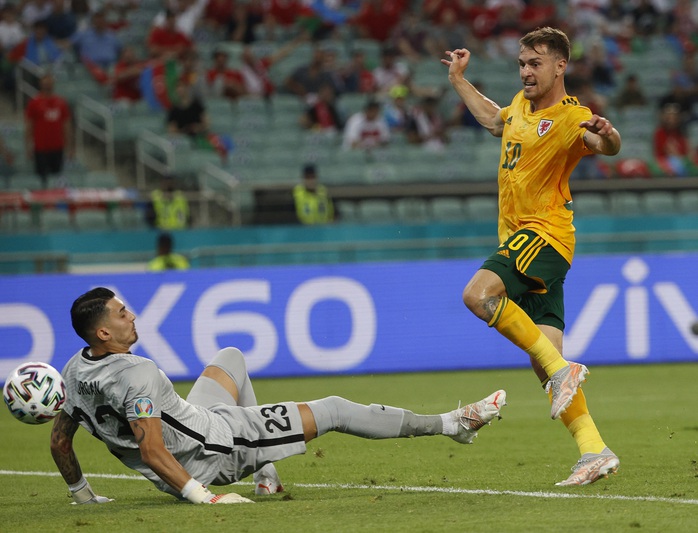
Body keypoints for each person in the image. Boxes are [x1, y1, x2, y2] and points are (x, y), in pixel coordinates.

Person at [50, 287, 506, 504]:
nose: (132, 315)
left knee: (229, 357)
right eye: (122, 312)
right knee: (335, 409)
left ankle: (266, 473)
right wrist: (201, 496)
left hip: (190, 426)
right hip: (216, 450)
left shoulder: (73, 370)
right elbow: (150, 449)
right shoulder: (140, 374)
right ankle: (453, 424)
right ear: (105, 330)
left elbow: (59, 441)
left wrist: (82, 494)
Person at [441, 26, 621, 486]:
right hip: (521, 241)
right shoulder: (520, 107)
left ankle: (566, 372)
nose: (525, 71)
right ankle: (593, 450)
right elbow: (493, 120)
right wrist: (460, 80)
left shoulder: (570, 116)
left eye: (535, 63)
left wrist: (609, 134)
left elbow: (604, 146)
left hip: (543, 235)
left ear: (560, 65)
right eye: (522, 63)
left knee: (477, 295)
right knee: (542, 360)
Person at [24, 72, 73, 188]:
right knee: (42, 180)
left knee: (57, 179)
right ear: (41, 84)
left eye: (49, 82)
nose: (47, 84)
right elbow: (29, 125)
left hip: (58, 147)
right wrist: (28, 146)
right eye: (45, 82)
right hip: (40, 148)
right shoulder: (34, 103)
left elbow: (67, 125)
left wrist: (70, 146)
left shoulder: (61, 103)